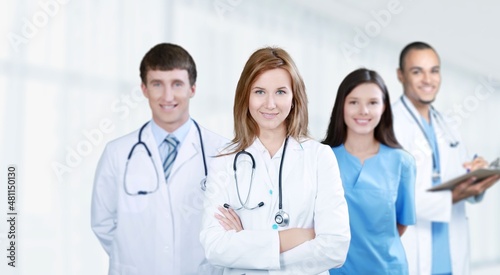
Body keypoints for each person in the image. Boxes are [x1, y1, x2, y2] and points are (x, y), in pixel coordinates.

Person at [199, 47, 350, 274]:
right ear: (245, 96)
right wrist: (300, 236)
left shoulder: (320, 157)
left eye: (280, 92)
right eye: (259, 92)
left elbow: (335, 248)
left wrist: (246, 242)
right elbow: (214, 247)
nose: (270, 104)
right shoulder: (225, 159)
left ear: (294, 97)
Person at [91, 43, 227, 275]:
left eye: (177, 84)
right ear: (144, 89)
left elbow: (232, 225)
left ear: (192, 88)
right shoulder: (117, 152)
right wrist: (134, 257)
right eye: (157, 84)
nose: (167, 96)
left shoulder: (222, 152)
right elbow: (103, 223)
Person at [392, 41, 500, 275]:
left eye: (434, 71)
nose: (428, 80)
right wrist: (451, 197)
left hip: (452, 254)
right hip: (413, 252)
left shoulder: (447, 125)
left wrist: (477, 174)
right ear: (400, 75)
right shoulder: (388, 126)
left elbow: (460, 172)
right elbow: (393, 198)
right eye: (417, 71)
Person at [322, 68, 416, 274]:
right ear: (342, 107)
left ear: (383, 108)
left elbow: (400, 225)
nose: (363, 110)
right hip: (336, 269)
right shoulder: (321, 158)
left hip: (388, 268)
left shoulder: (403, 162)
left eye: (373, 102)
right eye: (354, 102)